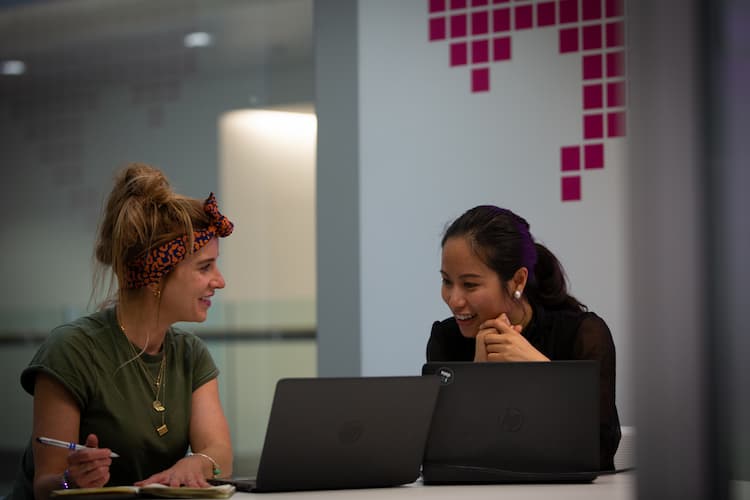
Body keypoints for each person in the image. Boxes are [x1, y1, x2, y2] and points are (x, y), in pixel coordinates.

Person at [7, 163, 235, 500]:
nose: (220, 281)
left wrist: (198, 464)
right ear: (156, 276)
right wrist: (72, 480)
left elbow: (220, 453)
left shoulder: (191, 353)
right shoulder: (72, 349)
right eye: (205, 267)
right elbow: (46, 486)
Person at [426, 205, 621, 471]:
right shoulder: (446, 338)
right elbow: (440, 457)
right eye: (447, 281)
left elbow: (601, 449)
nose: (454, 299)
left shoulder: (583, 334)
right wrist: (475, 380)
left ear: (518, 281)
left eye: (470, 284)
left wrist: (543, 373)